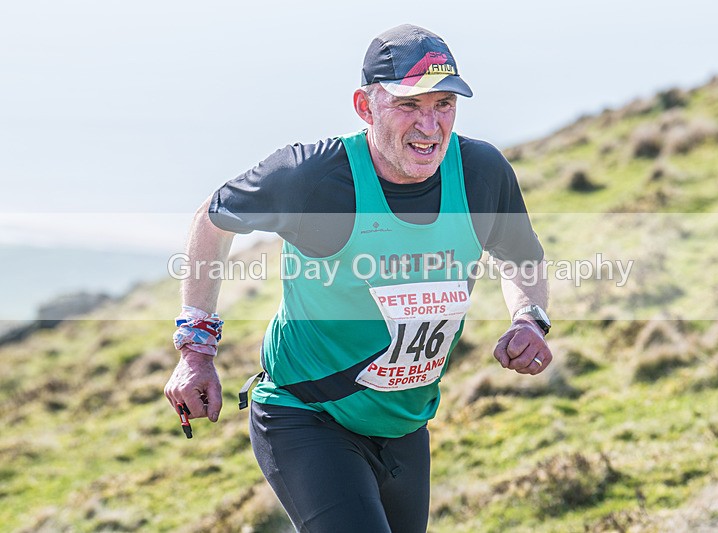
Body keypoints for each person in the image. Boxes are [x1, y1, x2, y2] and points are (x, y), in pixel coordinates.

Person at [164, 23, 553, 533]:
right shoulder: (314, 178)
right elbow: (211, 219)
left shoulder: (481, 173)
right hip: (306, 415)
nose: (430, 126)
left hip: (405, 424)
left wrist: (529, 318)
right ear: (365, 107)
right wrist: (196, 348)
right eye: (409, 105)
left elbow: (522, 257)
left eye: (444, 104)